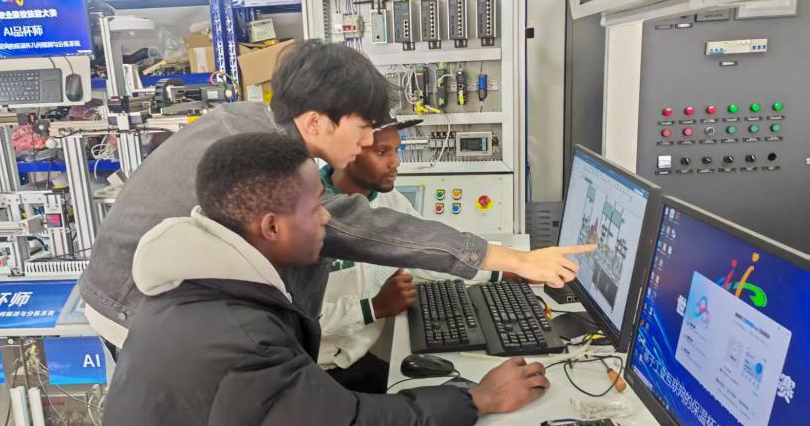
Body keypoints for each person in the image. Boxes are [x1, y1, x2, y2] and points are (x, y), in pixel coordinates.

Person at [80, 133, 552, 426]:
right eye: (315, 208)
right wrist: (476, 398)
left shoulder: (207, 288)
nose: (328, 217)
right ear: (271, 227)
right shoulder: (229, 339)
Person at [80, 40, 593, 349]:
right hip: (131, 306)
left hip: (131, 292)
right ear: (315, 122)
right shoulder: (270, 159)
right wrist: (515, 260)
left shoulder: (248, 120)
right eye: (364, 126)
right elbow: (362, 227)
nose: (369, 142)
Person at [318, 116, 518, 393]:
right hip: (319, 368)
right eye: (382, 152)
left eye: (397, 150)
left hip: (358, 357)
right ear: (347, 151)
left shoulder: (389, 200)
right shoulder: (307, 214)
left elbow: (426, 254)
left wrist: (501, 271)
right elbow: (292, 320)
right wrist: (373, 308)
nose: (395, 163)